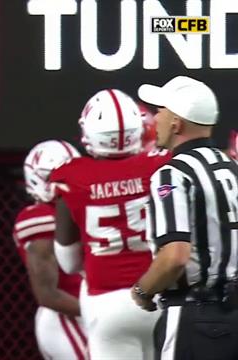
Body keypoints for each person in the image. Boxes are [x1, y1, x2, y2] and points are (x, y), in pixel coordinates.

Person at [51, 89, 169, 360]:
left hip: (107, 302)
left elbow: (68, 263)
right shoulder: (162, 166)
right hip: (163, 295)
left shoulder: (72, 176)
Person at [132, 76, 238, 360]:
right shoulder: (232, 167)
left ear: (177, 123)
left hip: (195, 316)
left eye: (162, 110)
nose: (156, 117)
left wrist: (143, 290)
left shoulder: (173, 173)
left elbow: (175, 255)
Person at [12, 140, 87, 359]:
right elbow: (47, 294)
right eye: (53, 176)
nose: (61, 182)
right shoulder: (39, 216)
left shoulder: (85, 206)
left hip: (94, 313)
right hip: (67, 316)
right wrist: (99, 311)